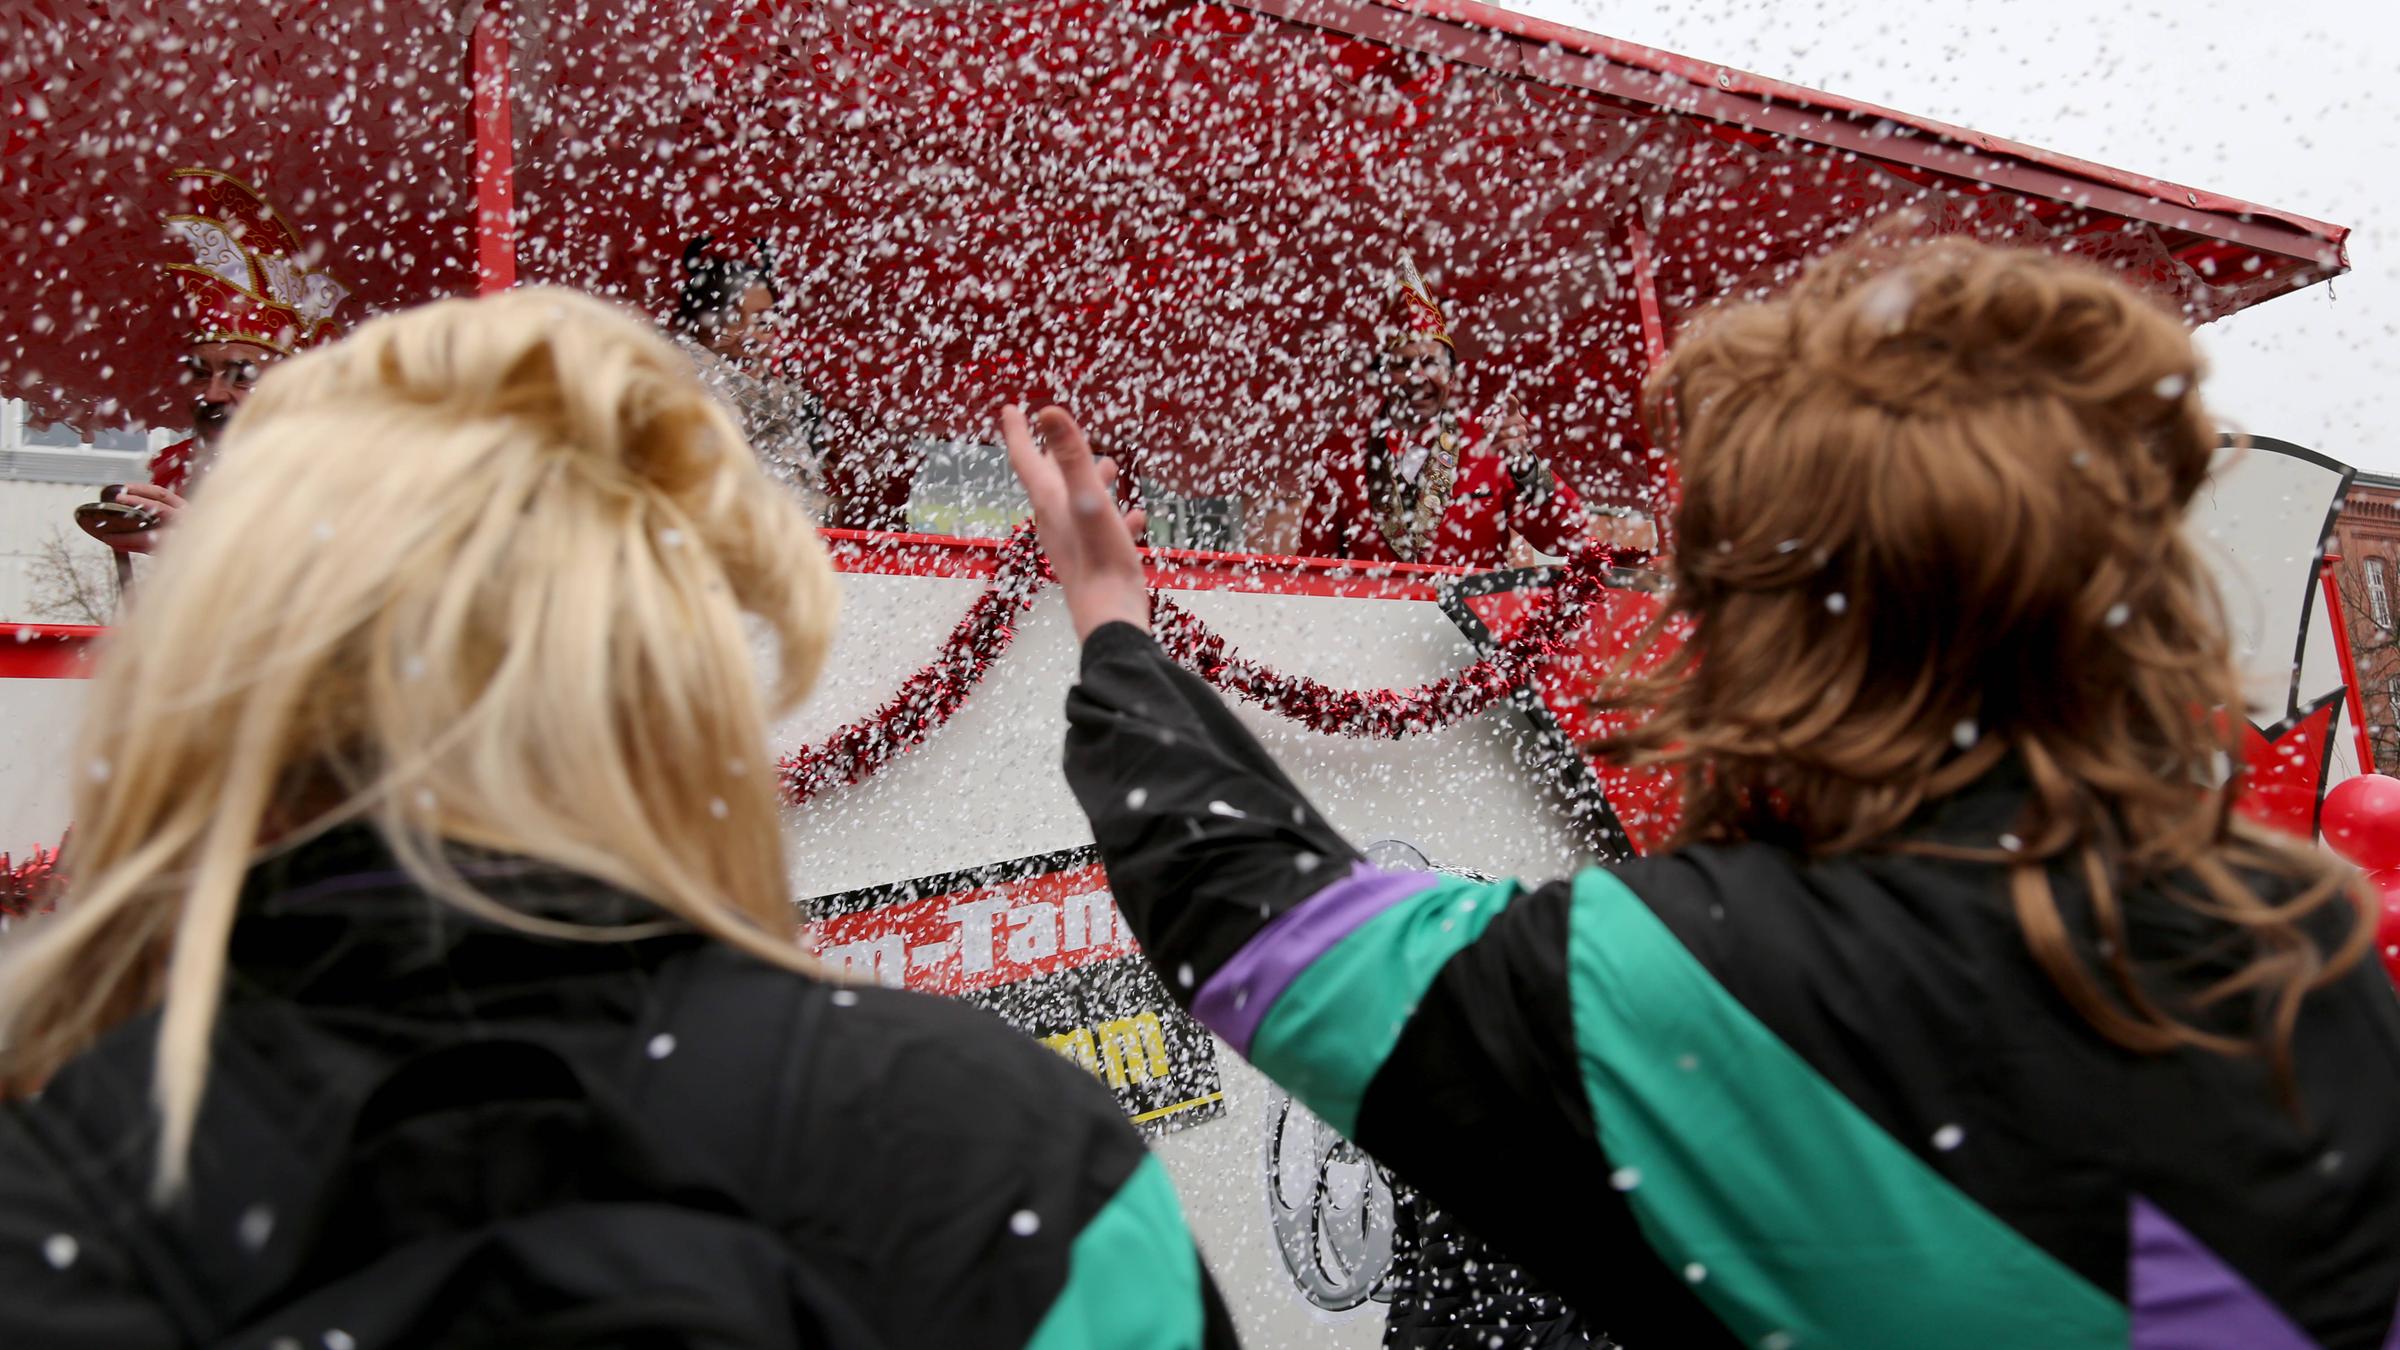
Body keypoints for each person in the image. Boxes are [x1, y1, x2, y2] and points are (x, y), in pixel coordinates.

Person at [1005, 236, 2400, 1346]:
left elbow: (1260, 921)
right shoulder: (2312, 967)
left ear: (1767, 615)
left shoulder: (1671, 983)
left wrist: (1114, 620)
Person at [0, 289, 1233, 1348]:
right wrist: (1112, 624)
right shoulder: (1010, 1160)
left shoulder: (59, 1191)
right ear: (676, 673)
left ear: (225, 667)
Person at [1296, 257, 1641, 571]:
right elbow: (1315, 569)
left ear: (1451, 373)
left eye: (1431, 362)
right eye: (1403, 365)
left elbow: (1569, 538)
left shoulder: (1489, 443)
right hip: (1374, 628)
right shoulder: (1340, 455)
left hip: (1472, 629)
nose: (1418, 377)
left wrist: (1524, 465)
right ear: (1384, 376)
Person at [81, 168, 350, 555]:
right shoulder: (185, 472)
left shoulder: (352, 472)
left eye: (242, 377)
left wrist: (201, 539)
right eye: (200, 373)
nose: (213, 394)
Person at [671, 235, 828, 515]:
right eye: (732, 320)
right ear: (694, 322)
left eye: (764, 323)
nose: (750, 337)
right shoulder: (673, 390)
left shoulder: (784, 401)